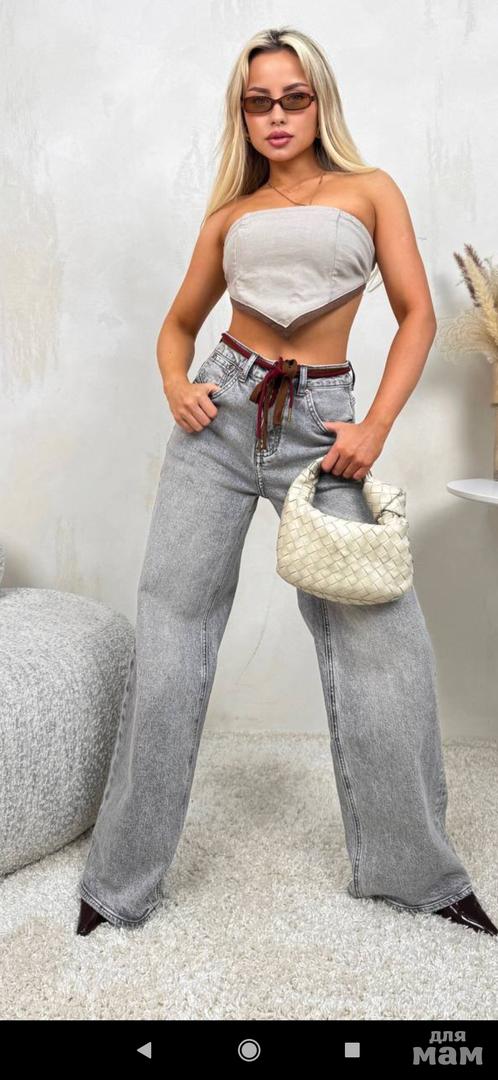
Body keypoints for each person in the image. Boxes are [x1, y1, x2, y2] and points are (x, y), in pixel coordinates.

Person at [76, 26, 497, 937]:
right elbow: (178, 324)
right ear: (242, 113)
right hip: (221, 419)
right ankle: (117, 884)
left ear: (319, 102)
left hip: (324, 429)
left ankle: (416, 874)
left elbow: (418, 315)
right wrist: (177, 385)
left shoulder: (370, 189)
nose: (276, 115)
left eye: (293, 98)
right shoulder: (230, 214)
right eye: (258, 101)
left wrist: (374, 426)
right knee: (173, 633)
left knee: (383, 644)